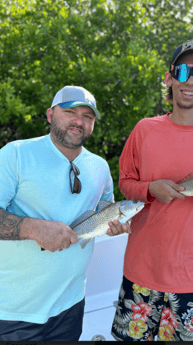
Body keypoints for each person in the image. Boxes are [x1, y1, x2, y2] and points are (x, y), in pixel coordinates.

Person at [111, 38, 193, 341]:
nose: (190, 81)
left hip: (191, 279)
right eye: (183, 71)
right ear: (169, 77)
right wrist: (150, 189)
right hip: (140, 272)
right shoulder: (144, 129)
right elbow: (125, 183)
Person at [0, 85, 130, 341]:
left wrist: (116, 227)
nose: (79, 121)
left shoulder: (99, 167)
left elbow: (107, 212)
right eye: (70, 111)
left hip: (71, 304)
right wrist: (32, 228)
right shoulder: (14, 154)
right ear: (50, 115)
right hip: (14, 311)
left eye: (88, 116)